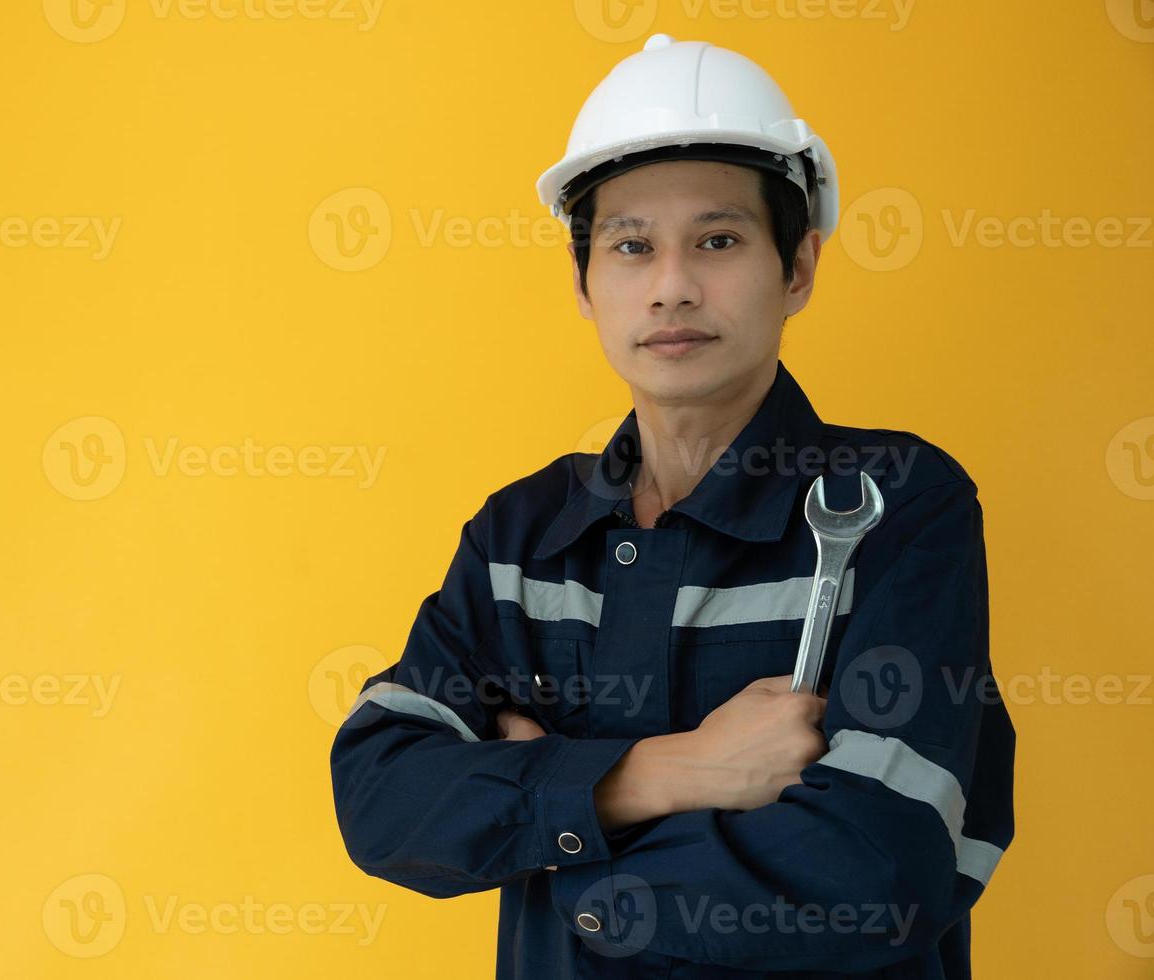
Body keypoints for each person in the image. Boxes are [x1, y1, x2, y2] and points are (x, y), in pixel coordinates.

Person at [329, 34, 1014, 979]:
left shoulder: (898, 505)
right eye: (630, 246)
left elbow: (876, 868)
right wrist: (666, 772)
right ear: (583, 283)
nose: (672, 287)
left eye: (719, 240)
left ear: (799, 268)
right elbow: (384, 801)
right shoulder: (517, 539)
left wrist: (556, 849)